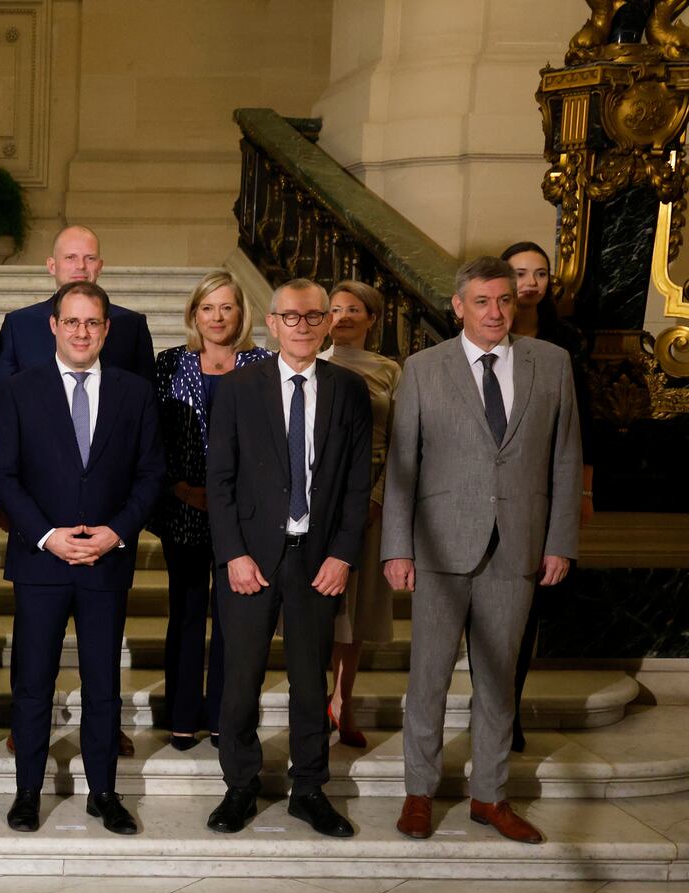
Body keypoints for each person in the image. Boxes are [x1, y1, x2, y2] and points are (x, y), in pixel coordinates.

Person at [385, 256, 583, 845]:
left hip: (520, 546)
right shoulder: (423, 369)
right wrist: (397, 547)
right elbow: (401, 466)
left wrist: (560, 542)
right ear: (458, 306)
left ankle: (490, 797)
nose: (496, 312)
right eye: (482, 302)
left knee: (499, 683)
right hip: (441, 546)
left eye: (505, 301)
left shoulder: (552, 364)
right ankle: (418, 793)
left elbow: (566, 458)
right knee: (429, 678)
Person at [0, 281, 163, 835]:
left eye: (93, 323)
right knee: (34, 684)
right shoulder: (18, 390)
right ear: (54, 326)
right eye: (73, 322)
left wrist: (115, 533)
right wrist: (46, 536)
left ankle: (104, 793)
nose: (82, 332)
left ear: (107, 329)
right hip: (41, 562)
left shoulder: (135, 393)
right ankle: (27, 793)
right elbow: (4, 475)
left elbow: (151, 474)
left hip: (106, 563)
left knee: (103, 685)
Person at [205, 279, 371, 838]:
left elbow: (356, 484)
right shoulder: (236, 388)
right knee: (240, 678)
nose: (302, 326)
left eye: (313, 316)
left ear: (328, 324)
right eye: (291, 317)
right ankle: (240, 785)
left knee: (309, 680)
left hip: (317, 559)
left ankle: (310, 789)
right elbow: (219, 480)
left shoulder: (349, 390)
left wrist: (344, 554)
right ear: (271, 324)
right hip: (249, 558)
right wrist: (232, 554)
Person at [150, 271, 273, 750]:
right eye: (207, 307)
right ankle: (182, 714)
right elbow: (154, 435)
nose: (217, 317)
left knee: (233, 617)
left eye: (227, 307)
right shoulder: (170, 364)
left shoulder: (262, 363)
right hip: (182, 506)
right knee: (184, 612)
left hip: (244, 515)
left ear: (241, 314)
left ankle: (226, 716)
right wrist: (179, 487)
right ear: (193, 314)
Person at [489, 241, 596, 753]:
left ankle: (507, 710)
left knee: (523, 613)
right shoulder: (469, 340)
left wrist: (583, 490)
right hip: (478, 499)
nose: (530, 283)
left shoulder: (564, 344)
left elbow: (582, 427)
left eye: (540, 274)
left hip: (540, 492)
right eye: (519, 273)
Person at [322, 280, 401, 750]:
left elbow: (401, 439)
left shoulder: (390, 371)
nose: (344, 317)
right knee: (319, 610)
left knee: (355, 613)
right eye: (335, 309)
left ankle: (342, 701)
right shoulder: (311, 360)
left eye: (355, 309)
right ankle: (314, 701)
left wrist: (377, 496)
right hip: (319, 500)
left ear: (373, 318)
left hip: (371, 497)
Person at [0, 224, 157, 389]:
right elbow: (4, 398)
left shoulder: (132, 326)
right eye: (70, 257)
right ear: (52, 266)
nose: (80, 266)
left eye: (90, 258)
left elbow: (145, 398)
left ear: (100, 266)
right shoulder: (19, 324)